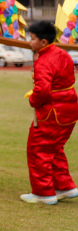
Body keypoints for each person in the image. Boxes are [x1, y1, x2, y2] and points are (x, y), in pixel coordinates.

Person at [20, 21, 78, 205]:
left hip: (51, 113)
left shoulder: (43, 60)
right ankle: (65, 187)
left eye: (32, 39)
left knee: (38, 150)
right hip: (69, 109)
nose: (30, 42)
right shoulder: (63, 54)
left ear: (43, 42)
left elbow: (42, 90)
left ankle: (43, 192)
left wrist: (32, 101)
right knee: (55, 149)